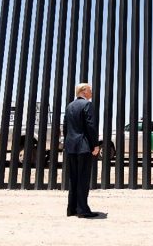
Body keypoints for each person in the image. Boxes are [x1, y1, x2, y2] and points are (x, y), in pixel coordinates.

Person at [63, 83, 100, 218]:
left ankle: (72, 209)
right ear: (83, 91)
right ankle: (83, 210)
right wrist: (95, 145)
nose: (91, 92)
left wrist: (68, 142)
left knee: (73, 178)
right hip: (84, 147)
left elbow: (65, 127)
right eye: (90, 89)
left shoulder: (69, 106)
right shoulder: (87, 105)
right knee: (83, 179)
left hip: (71, 147)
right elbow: (91, 126)